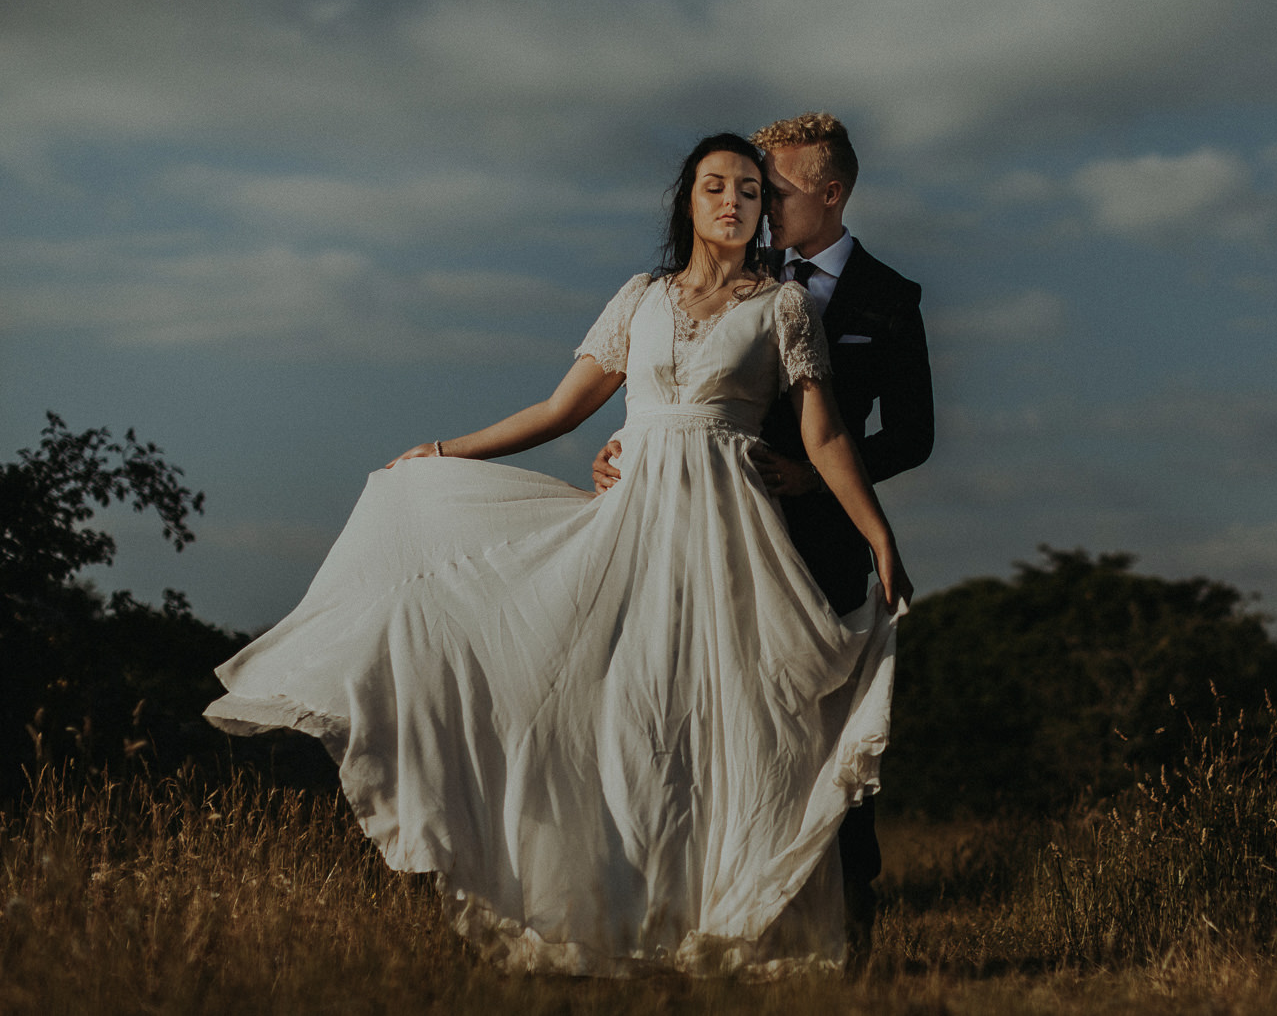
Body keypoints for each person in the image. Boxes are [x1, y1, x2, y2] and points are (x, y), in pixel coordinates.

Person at [204, 133, 911, 977]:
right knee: (622, 716)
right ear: (687, 200)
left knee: (742, 722)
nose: (732, 202)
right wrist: (444, 449)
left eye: (750, 192)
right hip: (636, 526)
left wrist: (878, 533)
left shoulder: (782, 308)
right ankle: (628, 921)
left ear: (765, 210)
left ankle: (737, 927)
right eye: (715, 186)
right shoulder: (639, 297)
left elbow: (824, 431)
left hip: (732, 535)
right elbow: (560, 409)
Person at [593, 112, 934, 964]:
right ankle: (696, 913)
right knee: (686, 726)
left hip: (817, 545)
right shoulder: (730, 277)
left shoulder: (891, 300)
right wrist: (630, 446)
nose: (756, 202)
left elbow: (912, 435)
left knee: (811, 736)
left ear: (829, 191)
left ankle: (840, 927)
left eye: (772, 189)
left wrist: (820, 480)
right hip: (694, 537)